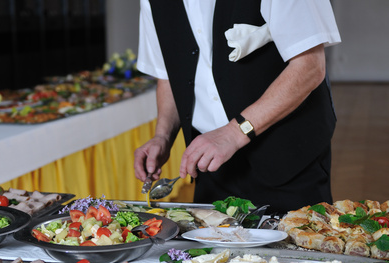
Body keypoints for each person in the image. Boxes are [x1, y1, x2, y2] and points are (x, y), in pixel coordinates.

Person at [133, 0, 341, 214]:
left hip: (288, 156)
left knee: (294, 245)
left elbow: (309, 67)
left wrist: (233, 133)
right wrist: (163, 136)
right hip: (213, 167)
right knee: (215, 247)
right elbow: (168, 75)